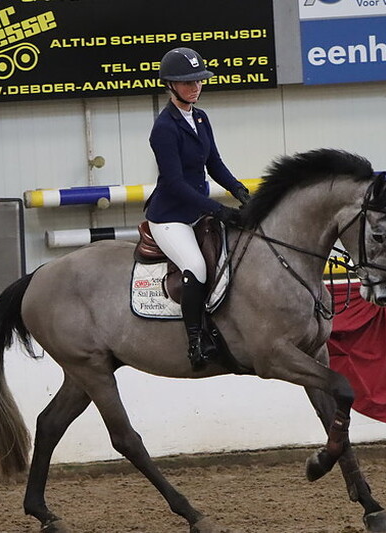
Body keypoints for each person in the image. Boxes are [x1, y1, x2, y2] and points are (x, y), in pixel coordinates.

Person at [145, 47, 250, 370]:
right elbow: (175, 184)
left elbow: (214, 163)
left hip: (197, 210)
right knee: (196, 266)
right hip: (170, 216)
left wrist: (241, 192)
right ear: (170, 84)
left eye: (199, 81)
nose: (196, 87)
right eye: (187, 82)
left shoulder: (201, 117)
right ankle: (196, 342)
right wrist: (218, 210)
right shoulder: (164, 128)